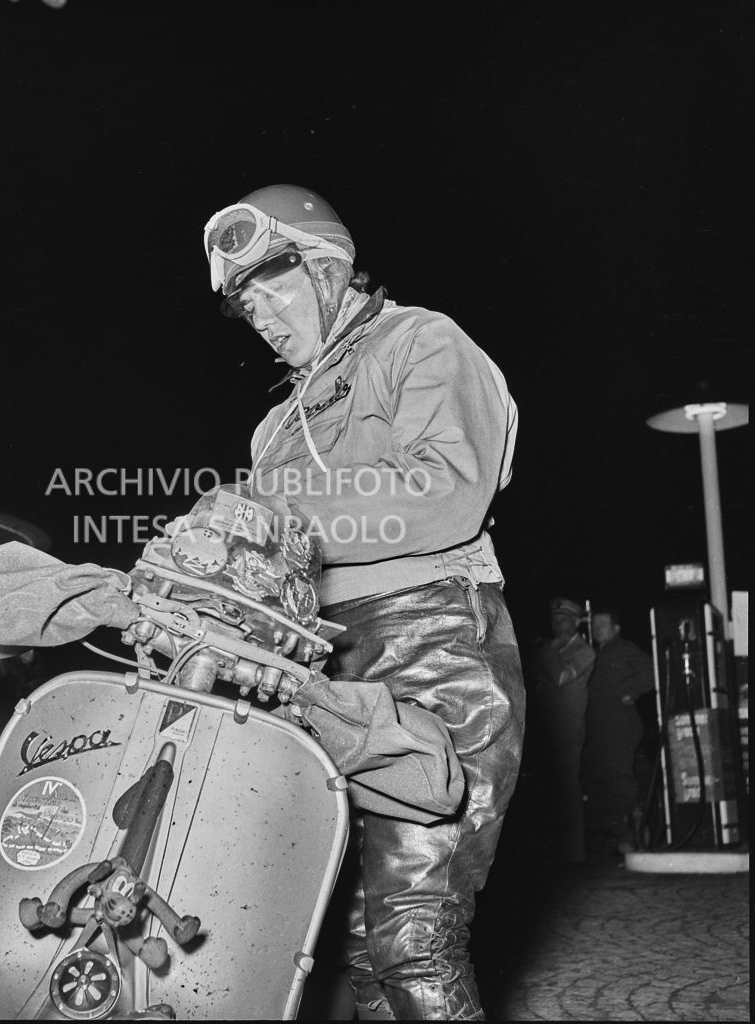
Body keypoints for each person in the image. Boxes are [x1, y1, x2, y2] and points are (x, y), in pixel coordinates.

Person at [203, 185, 525, 1020]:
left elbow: (446, 489)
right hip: (323, 674)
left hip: (432, 641)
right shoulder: (272, 429)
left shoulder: (420, 341)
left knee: (413, 932)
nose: (262, 315)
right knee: (353, 940)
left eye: (271, 287)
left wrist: (274, 515)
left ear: (328, 266)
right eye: (244, 303)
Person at [581, 606, 655, 859]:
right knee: (599, 779)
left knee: (619, 776)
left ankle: (631, 836)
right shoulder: (594, 653)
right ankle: (612, 836)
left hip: (619, 724)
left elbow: (651, 671)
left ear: (616, 628)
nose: (597, 629)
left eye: (603, 624)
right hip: (598, 726)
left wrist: (632, 691)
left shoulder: (624, 649)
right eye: (595, 625)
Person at [528, 597, 595, 864]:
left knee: (567, 788)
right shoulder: (548, 649)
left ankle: (573, 854)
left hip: (567, 730)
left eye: (563, 620)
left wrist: (547, 652)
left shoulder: (584, 651)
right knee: (548, 791)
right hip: (546, 730)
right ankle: (553, 852)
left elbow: (560, 677)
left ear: (575, 621)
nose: (557, 624)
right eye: (554, 620)